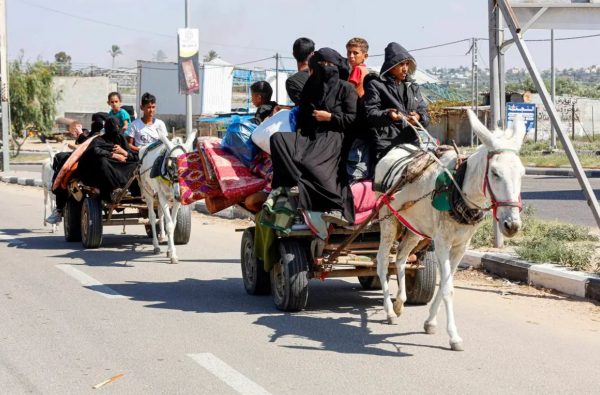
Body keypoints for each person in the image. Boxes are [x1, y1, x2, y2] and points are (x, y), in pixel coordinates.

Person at [270, 48, 357, 226]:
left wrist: (330, 117)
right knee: (278, 140)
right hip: (311, 135)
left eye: (329, 65)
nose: (325, 68)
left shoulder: (346, 88)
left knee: (311, 163)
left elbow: (353, 119)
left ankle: (333, 204)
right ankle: (293, 182)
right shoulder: (311, 87)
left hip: (334, 135)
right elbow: (302, 117)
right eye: (321, 65)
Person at [363, 42, 429, 164]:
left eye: (407, 64)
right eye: (401, 64)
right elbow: (370, 113)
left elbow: (424, 112)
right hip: (386, 144)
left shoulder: (413, 87)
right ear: (390, 66)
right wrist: (388, 115)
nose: (405, 68)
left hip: (412, 142)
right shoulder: (376, 86)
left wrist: (418, 117)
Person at [77, 117, 138, 202]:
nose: (115, 130)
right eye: (112, 128)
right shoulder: (99, 139)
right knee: (102, 161)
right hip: (99, 175)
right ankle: (115, 189)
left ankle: (133, 191)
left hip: (120, 169)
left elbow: (131, 155)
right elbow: (94, 151)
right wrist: (114, 155)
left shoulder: (120, 138)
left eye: (117, 127)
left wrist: (124, 152)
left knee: (135, 164)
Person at [285, 37, 314, 106]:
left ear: (293, 55)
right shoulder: (322, 75)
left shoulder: (292, 81)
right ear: (312, 54)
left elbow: (303, 106)